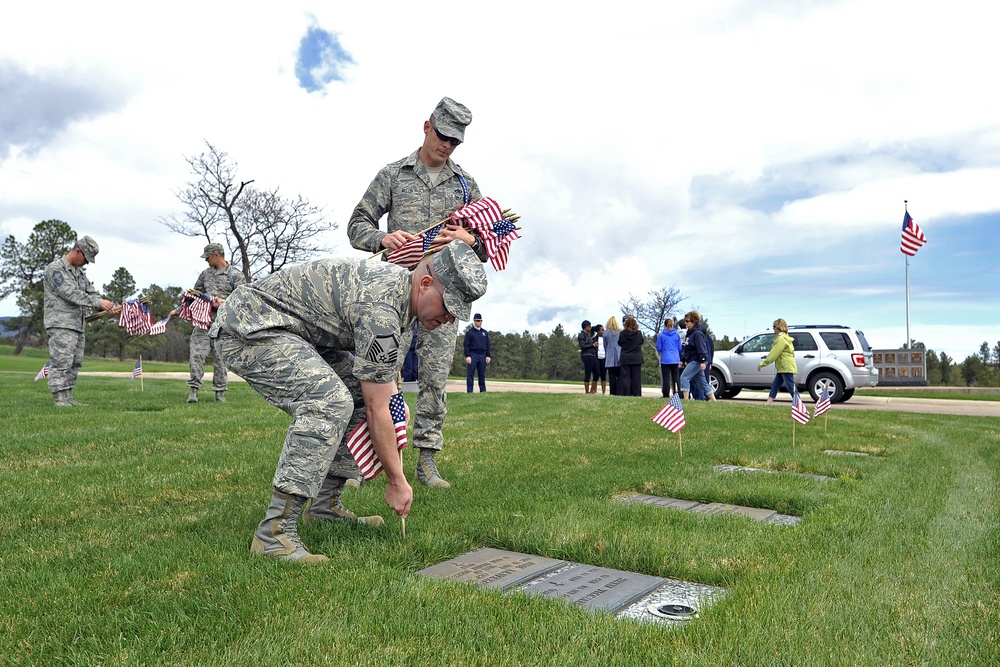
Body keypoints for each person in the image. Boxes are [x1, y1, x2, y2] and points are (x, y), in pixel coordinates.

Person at [212, 241, 487, 563]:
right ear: (425, 284)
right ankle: (274, 534)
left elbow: (382, 390)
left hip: (299, 334)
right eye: (449, 306)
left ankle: (325, 506)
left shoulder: (400, 302)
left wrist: (397, 408)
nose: (451, 319)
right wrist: (397, 481)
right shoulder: (381, 309)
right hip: (249, 328)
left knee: (356, 396)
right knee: (328, 401)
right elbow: (377, 408)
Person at [348, 96, 488, 489]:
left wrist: (470, 239)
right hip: (393, 295)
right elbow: (357, 224)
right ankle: (369, 459)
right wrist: (381, 237)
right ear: (427, 126)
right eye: (443, 136)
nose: (446, 146)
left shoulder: (465, 184)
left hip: (442, 300)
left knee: (434, 378)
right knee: (381, 374)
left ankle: (426, 461)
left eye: (455, 141)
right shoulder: (394, 175)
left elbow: (488, 242)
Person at [42, 236, 115, 406]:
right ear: (78, 251)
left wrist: (105, 305)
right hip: (61, 323)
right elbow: (70, 293)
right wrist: (98, 302)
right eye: (86, 259)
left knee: (75, 362)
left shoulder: (79, 274)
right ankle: (59, 398)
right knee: (61, 361)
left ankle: (68, 396)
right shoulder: (55, 269)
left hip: (77, 324)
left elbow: (91, 292)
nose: (87, 263)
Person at [185, 243, 246, 404]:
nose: (206, 260)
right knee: (196, 355)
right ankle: (194, 390)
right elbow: (195, 294)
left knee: (220, 359)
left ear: (216, 255)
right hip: (203, 322)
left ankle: (220, 394)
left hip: (223, 324)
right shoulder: (205, 275)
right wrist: (178, 309)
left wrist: (223, 303)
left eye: (207, 257)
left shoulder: (235, 275)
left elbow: (243, 300)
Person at [758, 318, 798, 405]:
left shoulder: (781, 339)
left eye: (774, 326)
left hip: (785, 367)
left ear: (778, 327)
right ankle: (768, 403)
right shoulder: (785, 338)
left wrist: (762, 364)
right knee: (775, 385)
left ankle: (799, 405)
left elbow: (773, 354)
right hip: (782, 367)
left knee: (791, 386)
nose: (773, 328)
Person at [679, 311, 717, 401]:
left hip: (697, 360)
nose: (685, 323)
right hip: (692, 359)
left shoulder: (697, 333)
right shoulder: (689, 333)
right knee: (702, 382)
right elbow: (687, 348)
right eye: (685, 321)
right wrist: (682, 359)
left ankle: (685, 400)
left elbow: (702, 348)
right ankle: (715, 401)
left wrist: (703, 361)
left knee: (684, 377)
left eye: (687, 321)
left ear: (694, 321)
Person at [617, 316, 645, 396]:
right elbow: (641, 342)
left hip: (625, 357)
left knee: (625, 378)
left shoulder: (623, 333)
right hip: (636, 358)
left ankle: (626, 393)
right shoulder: (639, 333)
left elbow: (619, 343)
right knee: (636, 378)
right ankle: (636, 393)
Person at [463, 313, 491, 392]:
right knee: (470, 374)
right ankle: (470, 391)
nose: (480, 322)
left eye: (481, 321)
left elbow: (488, 344)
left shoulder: (484, 333)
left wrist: (488, 355)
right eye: (478, 321)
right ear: (474, 321)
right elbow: (466, 344)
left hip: (482, 354)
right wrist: (467, 355)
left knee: (482, 374)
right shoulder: (470, 333)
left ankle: (483, 391)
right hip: (473, 354)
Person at [655, 318, 682, 398]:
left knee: (666, 378)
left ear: (664, 325)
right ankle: (677, 393)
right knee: (676, 378)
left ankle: (666, 394)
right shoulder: (677, 335)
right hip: (675, 359)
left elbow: (659, 348)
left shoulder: (661, 335)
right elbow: (679, 347)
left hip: (665, 359)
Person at [578, 320, 599, 393]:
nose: (590, 328)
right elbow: (582, 346)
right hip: (586, 355)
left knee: (597, 373)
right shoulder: (581, 335)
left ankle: (592, 390)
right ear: (586, 327)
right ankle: (587, 391)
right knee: (588, 373)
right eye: (589, 326)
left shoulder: (589, 335)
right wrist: (592, 345)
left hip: (592, 355)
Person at [603, 316, 622, 395]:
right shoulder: (620, 332)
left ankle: (612, 392)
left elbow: (605, 345)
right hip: (619, 355)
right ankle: (619, 391)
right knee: (619, 375)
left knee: (611, 376)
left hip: (610, 355)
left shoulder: (606, 333)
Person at [593, 323, 607, 394]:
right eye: (602, 330)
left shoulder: (605, 338)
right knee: (596, 374)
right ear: (598, 331)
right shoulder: (594, 339)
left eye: (604, 330)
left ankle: (604, 391)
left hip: (604, 358)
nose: (603, 331)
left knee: (603, 375)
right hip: (597, 358)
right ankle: (594, 390)